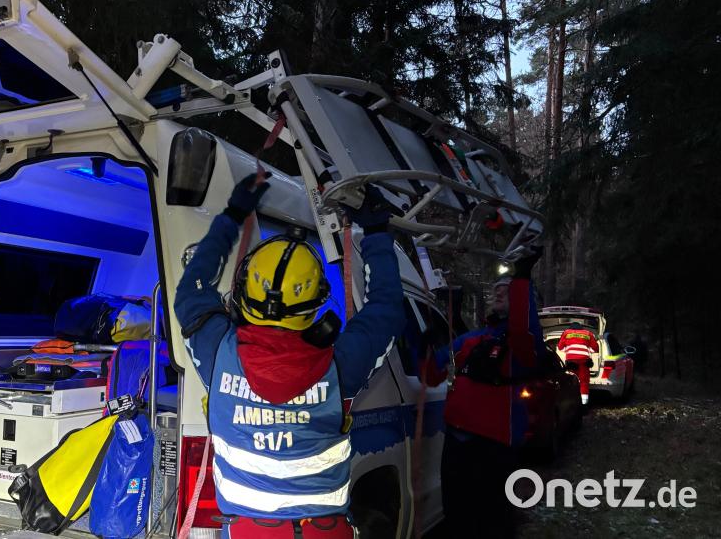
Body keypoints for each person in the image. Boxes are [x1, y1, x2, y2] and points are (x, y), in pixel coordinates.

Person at [174, 174, 407, 538]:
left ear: (243, 291)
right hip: (324, 531)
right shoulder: (341, 363)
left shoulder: (216, 349)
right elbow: (388, 307)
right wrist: (375, 230)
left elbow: (193, 288)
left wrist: (232, 216)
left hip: (247, 532)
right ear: (317, 305)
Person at [422, 249, 548, 539]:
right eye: (497, 289)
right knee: (457, 515)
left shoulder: (523, 345)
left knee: (492, 520)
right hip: (456, 442)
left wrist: (522, 278)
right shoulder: (470, 339)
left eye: (508, 290)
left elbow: (524, 329)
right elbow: (431, 374)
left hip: (494, 446)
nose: (499, 292)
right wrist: (425, 344)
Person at [557, 321, 599, 405]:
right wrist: (588, 350)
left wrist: (568, 348)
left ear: (570, 328)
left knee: (571, 382)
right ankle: (584, 404)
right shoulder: (588, 333)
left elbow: (560, 347)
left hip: (571, 362)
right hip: (584, 361)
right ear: (582, 328)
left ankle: (571, 403)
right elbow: (596, 349)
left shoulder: (566, 333)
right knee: (584, 383)